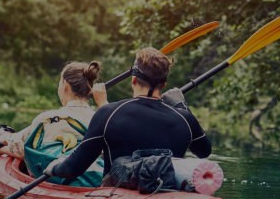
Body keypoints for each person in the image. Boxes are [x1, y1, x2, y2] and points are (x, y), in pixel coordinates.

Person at [44, 47, 212, 184]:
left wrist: (53, 168)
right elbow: (204, 151)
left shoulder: (109, 113)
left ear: (133, 80)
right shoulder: (184, 118)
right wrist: (181, 106)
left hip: (116, 198)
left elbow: (72, 169)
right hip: (168, 193)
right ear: (164, 84)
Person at [0, 60, 108, 186]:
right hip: (94, 181)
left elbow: (19, 146)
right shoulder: (101, 118)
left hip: (58, 178)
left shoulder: (48, 119)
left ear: (65, 85)